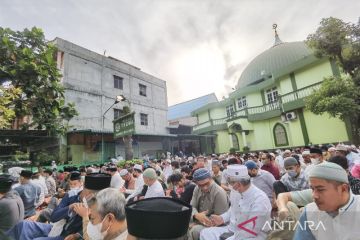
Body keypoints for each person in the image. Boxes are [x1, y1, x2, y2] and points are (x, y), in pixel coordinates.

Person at [6, 173, 112, 240]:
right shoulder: (72, 195)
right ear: (83, 186)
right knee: (23, 225)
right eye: (90, 193)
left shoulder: (103, 205)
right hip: (59, 228)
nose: (91, 197)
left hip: (69, 236)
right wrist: (69, 207)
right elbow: (53, 217)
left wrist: (78, 234)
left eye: (96, 195)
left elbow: (99, 230)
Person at [200, 164, 272, 240]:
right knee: (205, 233)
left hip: (253, 235)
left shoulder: (260, 199)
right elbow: (233, 209)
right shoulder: (236, 191)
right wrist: (222, 218)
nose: (228, 185)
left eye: (229, 183)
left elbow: (251, 230)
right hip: (232, 229)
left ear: (238, 184)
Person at [293, 162, 360, 239]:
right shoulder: (309, 213)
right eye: (312, 189)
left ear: (343, 189)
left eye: (320, 189)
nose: (314, 195)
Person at [188, 168, 229, 240]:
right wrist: (196, 215)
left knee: (195, 230)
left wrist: (199, 222)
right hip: (198, 220)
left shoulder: (219, 192)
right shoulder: (197, 188)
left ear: (211, 179)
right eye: (201, 185)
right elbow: (192, 207)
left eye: (207, 183)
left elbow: (220, 219)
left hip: (215, 225)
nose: (204, 187)